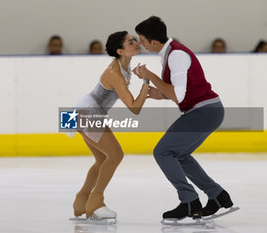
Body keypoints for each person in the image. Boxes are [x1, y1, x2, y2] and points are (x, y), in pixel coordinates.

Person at [134, 16, 234, 221]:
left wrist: (151, 76)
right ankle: (217, 195)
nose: (140, 44)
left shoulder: (176, 55)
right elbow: (175, 93)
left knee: (162, 152)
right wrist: (155, 93)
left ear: (154, 41)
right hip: (205, 111)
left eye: (142, 40)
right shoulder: (170, 53)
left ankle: (189, 201)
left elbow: (177, 95)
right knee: (180, 155)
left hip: (204, 111)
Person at [72, 31, 149, 220]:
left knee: (102, 160)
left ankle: (81, 201)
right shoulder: (114, 74)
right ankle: (95, 202)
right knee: (115, 155)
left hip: (82, 111)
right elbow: (134, 108)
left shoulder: (123, 67)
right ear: (120, 51)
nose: (136, 43)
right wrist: (146, 83)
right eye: (131, 42)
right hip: (88, 113)